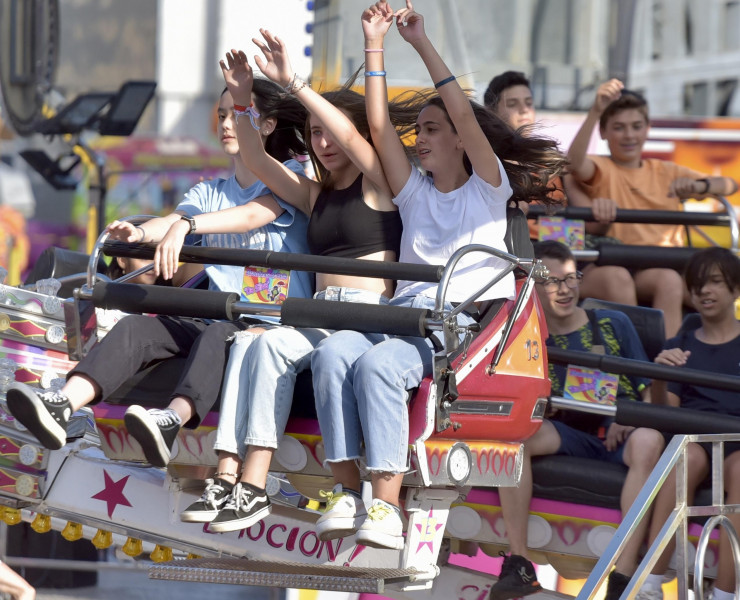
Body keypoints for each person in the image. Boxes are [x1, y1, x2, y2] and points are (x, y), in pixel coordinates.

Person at [308, 0, 566, 551]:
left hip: (454, 334)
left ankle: (383, 502)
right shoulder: (414, 193)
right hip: (399, 319)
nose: (419, 138)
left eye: (430, 129)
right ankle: (346, 492)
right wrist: (373, 43)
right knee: (331, 354)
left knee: (378, 364)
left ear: (456, 139)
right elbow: (378, 126)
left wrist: (420, 43)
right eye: (419, 129)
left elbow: (467, 115)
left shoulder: (488, 189)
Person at [6, 79, 313, 467]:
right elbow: (172, 219)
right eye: (221, 116)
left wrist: (187, 228)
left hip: (270, 326)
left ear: (268, 125)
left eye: (238, 114)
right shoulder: (211, 191)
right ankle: (64, 404)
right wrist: (138, 233)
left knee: (221, 334)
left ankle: (172, 421)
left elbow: (251, 215)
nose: (226, 124)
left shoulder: (292, 176)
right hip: (218, 312)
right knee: (139, 327)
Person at [179, 32, 406, 533]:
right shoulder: (313, 196)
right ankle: (240, 482)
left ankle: (277, 488)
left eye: (327, 132)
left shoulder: (380, 184)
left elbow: (354, 135)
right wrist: (241, 101)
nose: (322, 144)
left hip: (366, 320)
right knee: (255, 343)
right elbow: (259, 162)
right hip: (321, 316)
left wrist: (295, 83)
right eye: (312, 135)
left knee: (283, 347)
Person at [489, 241, 664, 600]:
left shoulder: (614, 323)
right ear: (534, 287)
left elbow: (647, 389)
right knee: (513, 441)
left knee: (649, 440)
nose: (565, 290)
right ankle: (519, 562)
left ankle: (624, 574)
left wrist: (630, 417)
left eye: (571, 279)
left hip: (623, 430)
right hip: (570, 432)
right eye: (553, 282)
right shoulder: (529, 339)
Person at [567, 79, 739, 337]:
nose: (629, 135)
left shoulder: (665, 171)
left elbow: (729, 184)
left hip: (664, 263)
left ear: (647, 129)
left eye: (636, 127)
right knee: (641, 279)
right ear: (603, 133)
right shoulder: (602, 168)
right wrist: (595, 111)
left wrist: (699, 186)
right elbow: (574, 163)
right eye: (619, 128)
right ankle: (641, 359)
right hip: (622, 263)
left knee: (674, 279)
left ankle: (671, 361)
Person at [484, 71, 637, 306]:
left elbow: (591, 221)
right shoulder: (487, 164)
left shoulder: (550, 161)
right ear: (491, 113)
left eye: (529, 103)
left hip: (569, 252)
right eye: (513, 104)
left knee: (617, 278)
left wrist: (601, 208)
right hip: (523, 256)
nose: (524, 110)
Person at [640, 247, 740, 600]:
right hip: (693, 437)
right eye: (697, 285)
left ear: (735, 289)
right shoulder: (680, 343)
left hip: (737, 444)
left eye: (714, 282)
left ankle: (726, 592)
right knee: (688, 458)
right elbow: (663, 409)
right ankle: (650, 581)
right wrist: (659, 376)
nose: (704, 292)